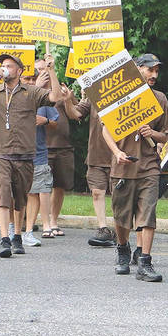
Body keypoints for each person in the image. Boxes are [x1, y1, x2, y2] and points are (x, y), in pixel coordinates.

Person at [0, 52, 62, 258]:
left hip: (25, 153)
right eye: (3, 65)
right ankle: (4, 238)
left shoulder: (31, 92)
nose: (5, 68)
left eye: (9, 66)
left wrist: (51, 71)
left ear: (19, 70)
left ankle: (17, 235)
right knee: (3, 195)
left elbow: (55, 97)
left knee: (20, 198)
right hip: (0, 153)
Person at [101, 54, 168, 282]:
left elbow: (165, 135)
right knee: (121, 217)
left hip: (149, 166)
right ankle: (123, 249)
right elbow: (106, 130)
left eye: (157, 71)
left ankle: (145, 262)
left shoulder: (159, 99)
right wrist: (117, 153)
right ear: (137, 69)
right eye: (150, 69)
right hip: (123, 167)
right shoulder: (119, 96)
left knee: (147, 214)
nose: (154, 74)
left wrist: (153, 133)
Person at [62, 81, 117, 248]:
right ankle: (103, 229)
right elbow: (75, 113)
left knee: (120, 197)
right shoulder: (95, 95)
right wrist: (67, 100)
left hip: (119, 157)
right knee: (97, 192)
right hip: (96, 156)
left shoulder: (126, 94)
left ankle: (120, 231)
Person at [38, 55, 76, 237]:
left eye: (45, 69)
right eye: (39, 70)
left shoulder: (60, 91)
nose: (43, 73)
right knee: (41, 187)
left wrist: (68, 99)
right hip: (40, 147)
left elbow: (74, 113)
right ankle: (41, 221)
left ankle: (53, 220)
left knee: (60, 186)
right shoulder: (32, 91)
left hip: (62, 146)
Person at [21, 71, 59, 248]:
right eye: (26, 78)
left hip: (38, 153)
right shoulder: (13, 96)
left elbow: (55, 122)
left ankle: (29, 230)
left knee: (37, 191)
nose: (30, 82)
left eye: (33, 79)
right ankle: (13, 231)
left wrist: (45, 121)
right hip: (16, 153)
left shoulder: (43, 98)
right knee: (17, 194)